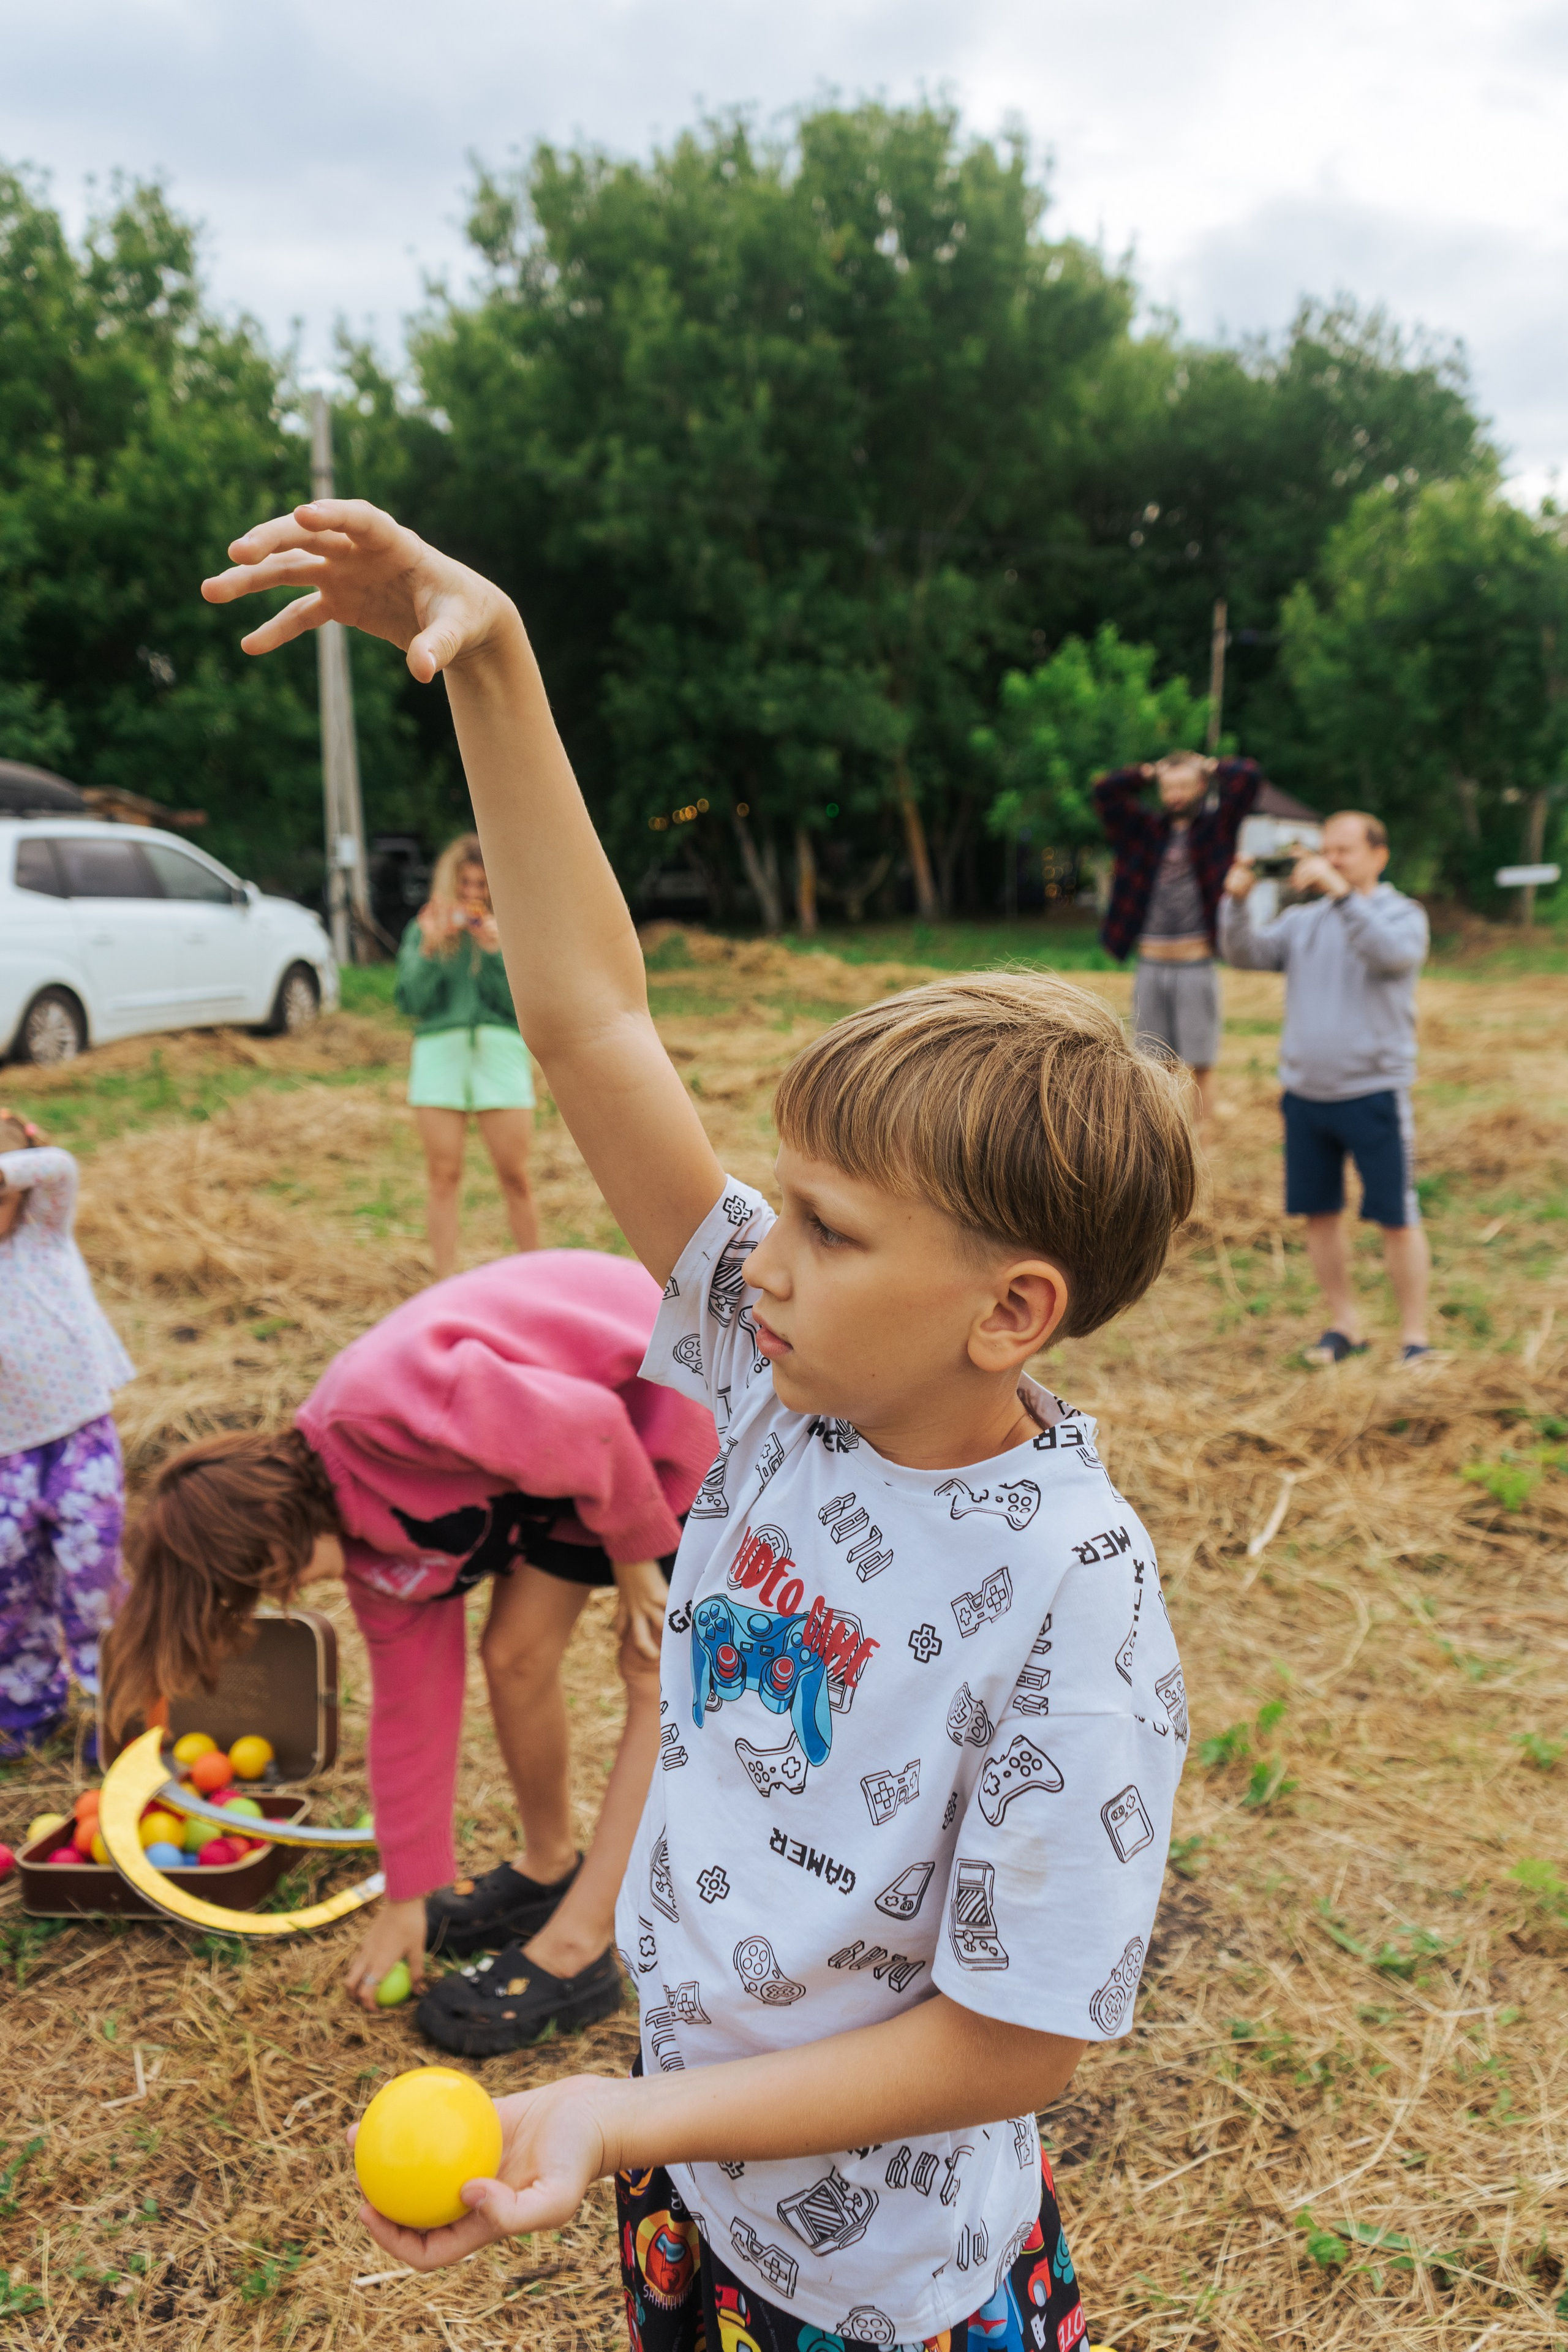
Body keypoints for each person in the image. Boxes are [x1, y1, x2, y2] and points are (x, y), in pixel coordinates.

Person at [202, 499, 1199, 2351]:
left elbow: (1020, 2033)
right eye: (778, 1202)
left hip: (890, 2298)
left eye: (827, 1224)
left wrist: (624, 2110)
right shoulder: (774, 1364)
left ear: (1009, 1310)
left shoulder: (1071, 1588)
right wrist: (491, 662)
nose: (766, 1249)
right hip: (690, 2191)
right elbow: (589, 1021)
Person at [103, 1250, 715, 2051]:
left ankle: (584, 1943)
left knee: (649, 1673)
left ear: (272, 1543)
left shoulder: (388, 1410)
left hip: (663, 1405)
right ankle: (547, 1868)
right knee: (516, 1654)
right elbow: (409, 1716)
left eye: (264, 1585)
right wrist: (407, 1894)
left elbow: (592, 1426)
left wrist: (637, 1558)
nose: (286, 1598)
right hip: (578, 1475)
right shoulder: (365, 1553)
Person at [1219, 811, 1431, 1365]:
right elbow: (1246, 954)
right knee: (1319, 1213)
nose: (1332, 860)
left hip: (1374, 1091)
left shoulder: (1401, 914)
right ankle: (1344, 1325)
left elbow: (1392, 955)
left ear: (1378, 856)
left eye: (1346, 851)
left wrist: (1342, 897)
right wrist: (1237, 902)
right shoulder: (1304, 921)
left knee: (1396, 1216)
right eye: (1327, 850)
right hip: (1306, 1094)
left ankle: (1415, 1338)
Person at [0, 1110, 134, 1758]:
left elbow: (61, 1168)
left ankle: (123, 1709)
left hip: (77, 1434)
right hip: (4, 1453)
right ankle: (25, 1708)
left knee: (94, 1572)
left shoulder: (44, 1233)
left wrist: (17, 1154)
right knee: (11, 1580)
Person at [396, 831, 538, 1278]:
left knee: (516, 1175)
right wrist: (431, 948)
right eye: (465, 886)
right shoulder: (422, 927)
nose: (473, 896)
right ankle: (444, 1281)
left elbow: (523, 1008)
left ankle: (535, 1276)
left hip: (499, 1050)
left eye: (482, 887)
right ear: (449, 886)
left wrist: (496, 954)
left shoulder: (512, 928)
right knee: (443, 1175)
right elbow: (410, 1003)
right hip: (440, 1051)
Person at [1094, 749, 1264, 1122]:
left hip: (1196, 963)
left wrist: (1209, 764)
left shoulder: (1218, 828)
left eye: (1185, 786)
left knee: (1200, 1062)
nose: (1176, 795)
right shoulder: (1142, 831)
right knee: (1154, 1064)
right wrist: (1147, 771)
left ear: (1202, 786)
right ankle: (1164, 1136)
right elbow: (1105, 791)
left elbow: (1249, 778)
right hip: (1150, 963)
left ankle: (1201, 1142)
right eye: (1169, 788)